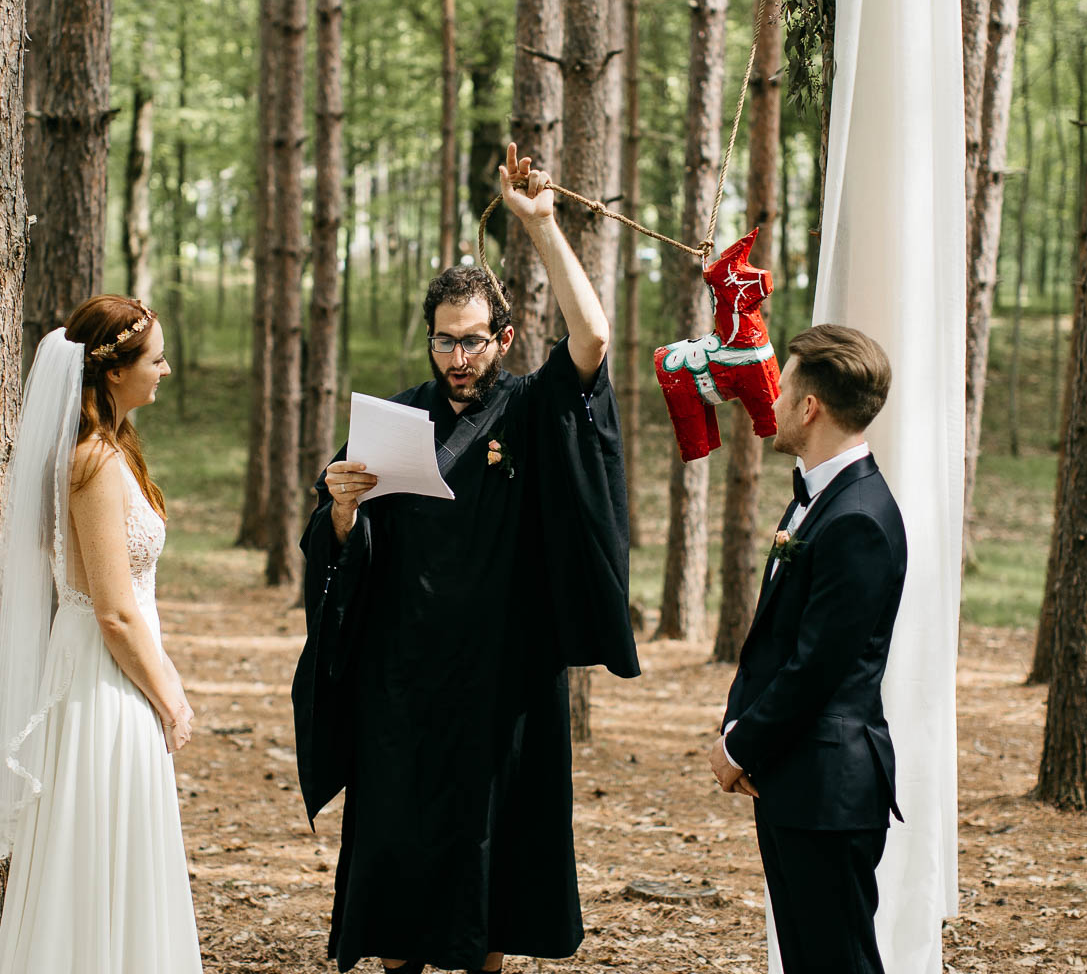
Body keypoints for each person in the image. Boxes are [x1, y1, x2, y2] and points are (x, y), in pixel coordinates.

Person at [293, 143, 640, 974]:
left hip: (501, 680)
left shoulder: (532, 409)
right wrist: (340, 510)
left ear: (504, 338)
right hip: (401, 684)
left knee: (495, 852)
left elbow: (593, 336)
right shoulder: (394, 421)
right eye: (444, 342)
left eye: (474, 342)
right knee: (396, 844)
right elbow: (337, 552)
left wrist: (542, 225)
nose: (457, 359)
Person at [0, 295, 203, 972]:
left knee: (112, 849)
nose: (166, 370)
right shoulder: (92, 462)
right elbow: (114, 611)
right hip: (104, 679)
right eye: (156, 359)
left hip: (112, 667)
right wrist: (171, 698)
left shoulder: (112, 450)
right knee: (97, 850)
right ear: (114, 371)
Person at [709, 324, 906, 974]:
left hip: (829, 792)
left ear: (810, 407)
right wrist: (741, 730)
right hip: (797, 781)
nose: (774, 398)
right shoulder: (823, 501)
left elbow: (816, 669)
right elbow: (777, 639)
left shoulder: (857, 518)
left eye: (784, 386)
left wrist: (739, 746)